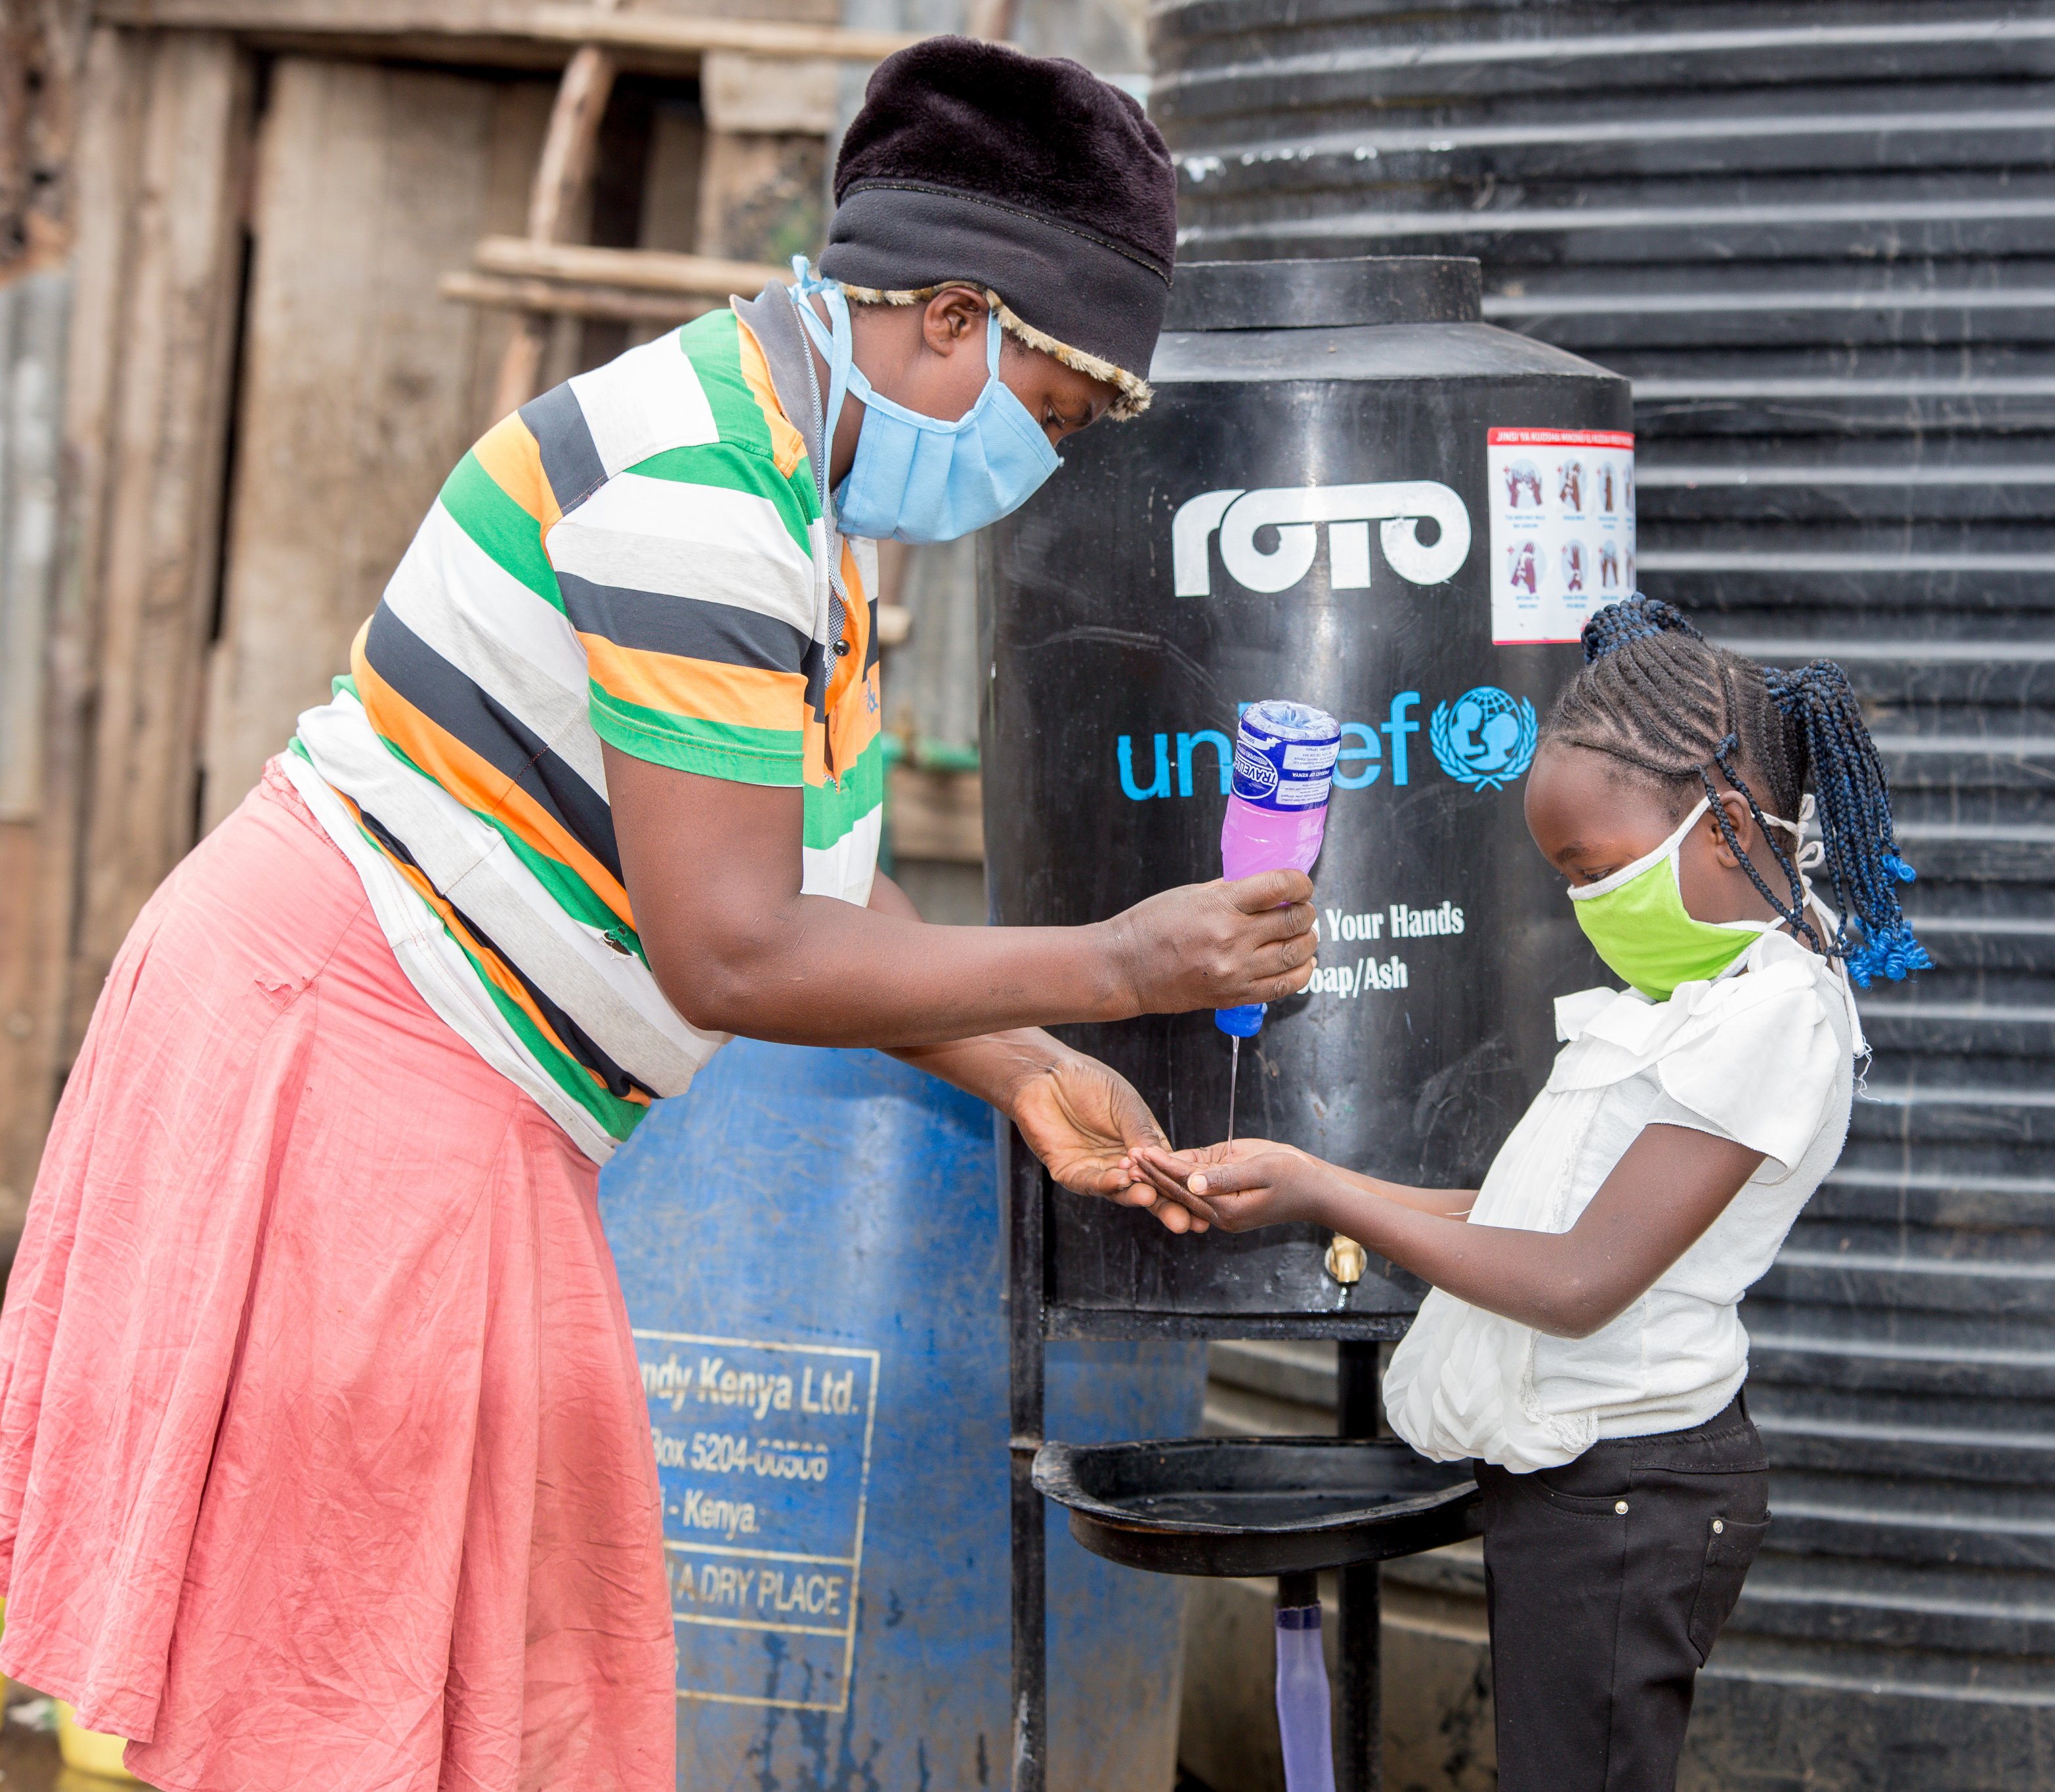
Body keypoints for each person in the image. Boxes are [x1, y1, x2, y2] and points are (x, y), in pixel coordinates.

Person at [0, 39, 1307, 1792]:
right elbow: (737, 950)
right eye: (1049, 415)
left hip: (472, 1090)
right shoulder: (699, 491)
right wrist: (1122, 961)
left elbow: (817, 912)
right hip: (354, 1057)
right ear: (949, 318)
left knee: (484, 1676)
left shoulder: (806, 499)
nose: (1039, 467)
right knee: (341, 1683)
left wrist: (1024, 1067)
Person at [1138, 596, 1928, 1792]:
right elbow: (1536, 1226)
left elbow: (1571, 1282)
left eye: (1595, 870)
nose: (1583, 904)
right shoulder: (1695, 1002)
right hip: (1583, 1478)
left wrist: (1322, 1190)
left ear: (1721, 827)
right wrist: (1313, 1190)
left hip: (1635, 1489)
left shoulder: (1776, 1013)